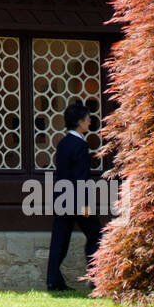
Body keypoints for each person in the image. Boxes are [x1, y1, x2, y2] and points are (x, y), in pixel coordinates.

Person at [46, 101, 102, 292]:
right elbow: (81, 177)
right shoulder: (80, 145)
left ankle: (53, 281)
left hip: (62, 198)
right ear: (79, 122)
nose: (90, 121)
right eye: (87, 118)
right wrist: (85, 203)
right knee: (96, 235)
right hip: (77, 200)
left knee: (59, 241)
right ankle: (96, 278)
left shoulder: (63, 143)